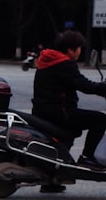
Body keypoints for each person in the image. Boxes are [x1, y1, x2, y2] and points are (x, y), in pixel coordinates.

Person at [31, 30, 106, 170]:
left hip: (43, 110)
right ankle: (87, 158)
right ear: (71, 49)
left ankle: (53, 177)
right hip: (60, 112)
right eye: (79, 49)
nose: (79, 52)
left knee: (71, 131)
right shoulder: (64, 64)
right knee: (100, 119)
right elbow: (85, 85)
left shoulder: (49, 60)